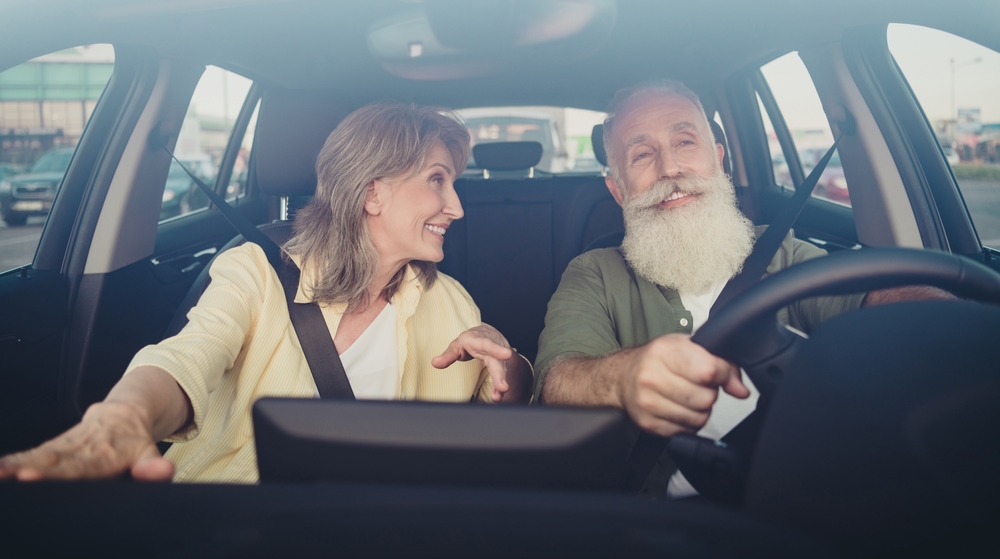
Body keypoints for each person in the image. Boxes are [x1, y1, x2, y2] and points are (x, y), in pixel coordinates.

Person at [0, 103, 532, 484]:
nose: (457, 207)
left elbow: (494, 408)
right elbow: (187, 358)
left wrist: (511, 369)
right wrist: (125, 418)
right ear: (373, 192)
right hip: (235, 525)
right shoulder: (254, 272)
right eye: (437, 180)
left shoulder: (452, 304)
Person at [533, 80, 951, 497]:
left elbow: (874, 302)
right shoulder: (594, 273)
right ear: (618, 190)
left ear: (718, 160)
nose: (670, 169)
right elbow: (557, 381)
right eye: (642, 154)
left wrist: (951, 325)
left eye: (685, 142)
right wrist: (621, 378)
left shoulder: (781, 250)